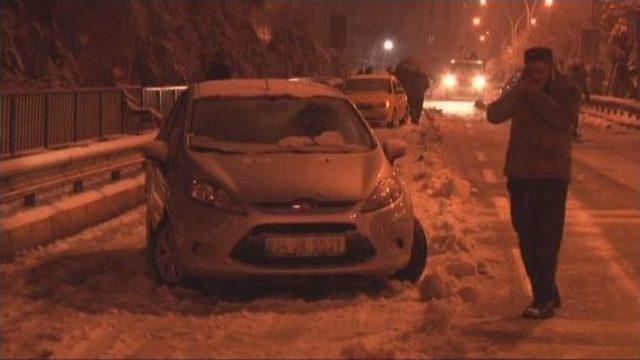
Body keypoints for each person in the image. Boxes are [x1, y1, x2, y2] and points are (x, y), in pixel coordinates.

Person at [486, 47, 581, 319]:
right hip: (520, 175)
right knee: (525, 234)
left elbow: (564, 122)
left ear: (552, 69)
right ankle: (548, 290)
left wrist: (534, 95)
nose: (535, 76)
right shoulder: (522, 91)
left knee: (547, 237)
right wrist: (520, 91)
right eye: (530, 71)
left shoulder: (567, 91)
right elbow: (493, 115)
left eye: (540, 71)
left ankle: (542, 298)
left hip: (552, 176)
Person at [395, 59, 429, 125]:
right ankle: (416, 120)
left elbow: (404, 82)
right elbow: (427, 85)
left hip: (411, 93)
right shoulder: (424, 76)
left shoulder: (409, 75)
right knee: (418, 107)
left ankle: (413, 119)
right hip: (420, 94)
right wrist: (422, 90)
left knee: (412, 106)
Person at [569, 63, 590, 142]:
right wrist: (587, 97)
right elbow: (585, 87)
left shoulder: (568, 77)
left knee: (569, 115)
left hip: (568, 98)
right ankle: (573, 131)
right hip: (576, 98)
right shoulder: (581, 77)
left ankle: (570, 131)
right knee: (575, 115)